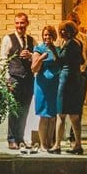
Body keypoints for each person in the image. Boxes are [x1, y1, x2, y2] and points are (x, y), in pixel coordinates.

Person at [0, 12, 35, 150]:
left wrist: (30, 56)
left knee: (24, 111)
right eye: (17, 23)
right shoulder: (8, 39)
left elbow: (36, 61)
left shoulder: (31, 40)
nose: (20, 26)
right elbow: (2, 59)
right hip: (14, 78)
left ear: (27, 23)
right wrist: (6, 79)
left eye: (22, 23)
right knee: (14, 110)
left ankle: (21, 138)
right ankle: (11, 138)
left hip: (28, 79)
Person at [50, 21, 87, 154]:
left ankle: (58, 145)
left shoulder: (70, 44)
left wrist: (52, 49)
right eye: (61, 30)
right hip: (76, 79)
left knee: (61, 114)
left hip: (67, 80)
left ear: (71, 30)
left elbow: (60, 62)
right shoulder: (78, 42)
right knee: (74, 115)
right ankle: (77, 144)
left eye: (65, 30)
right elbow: (82, 61)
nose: (62, 32)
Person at [31, 25, 61, 153]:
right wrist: (41, 58)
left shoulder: (58, 49)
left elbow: (60, 63)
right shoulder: (38, 49)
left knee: (53, 116)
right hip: (43, 85)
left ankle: (50, 142)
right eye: (45, 35)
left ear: (54, 36)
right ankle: (43, 144)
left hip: (55, 84)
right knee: (44, 115)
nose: (47, 37)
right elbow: (34, 68)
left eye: (49, 35)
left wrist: (54, 52)